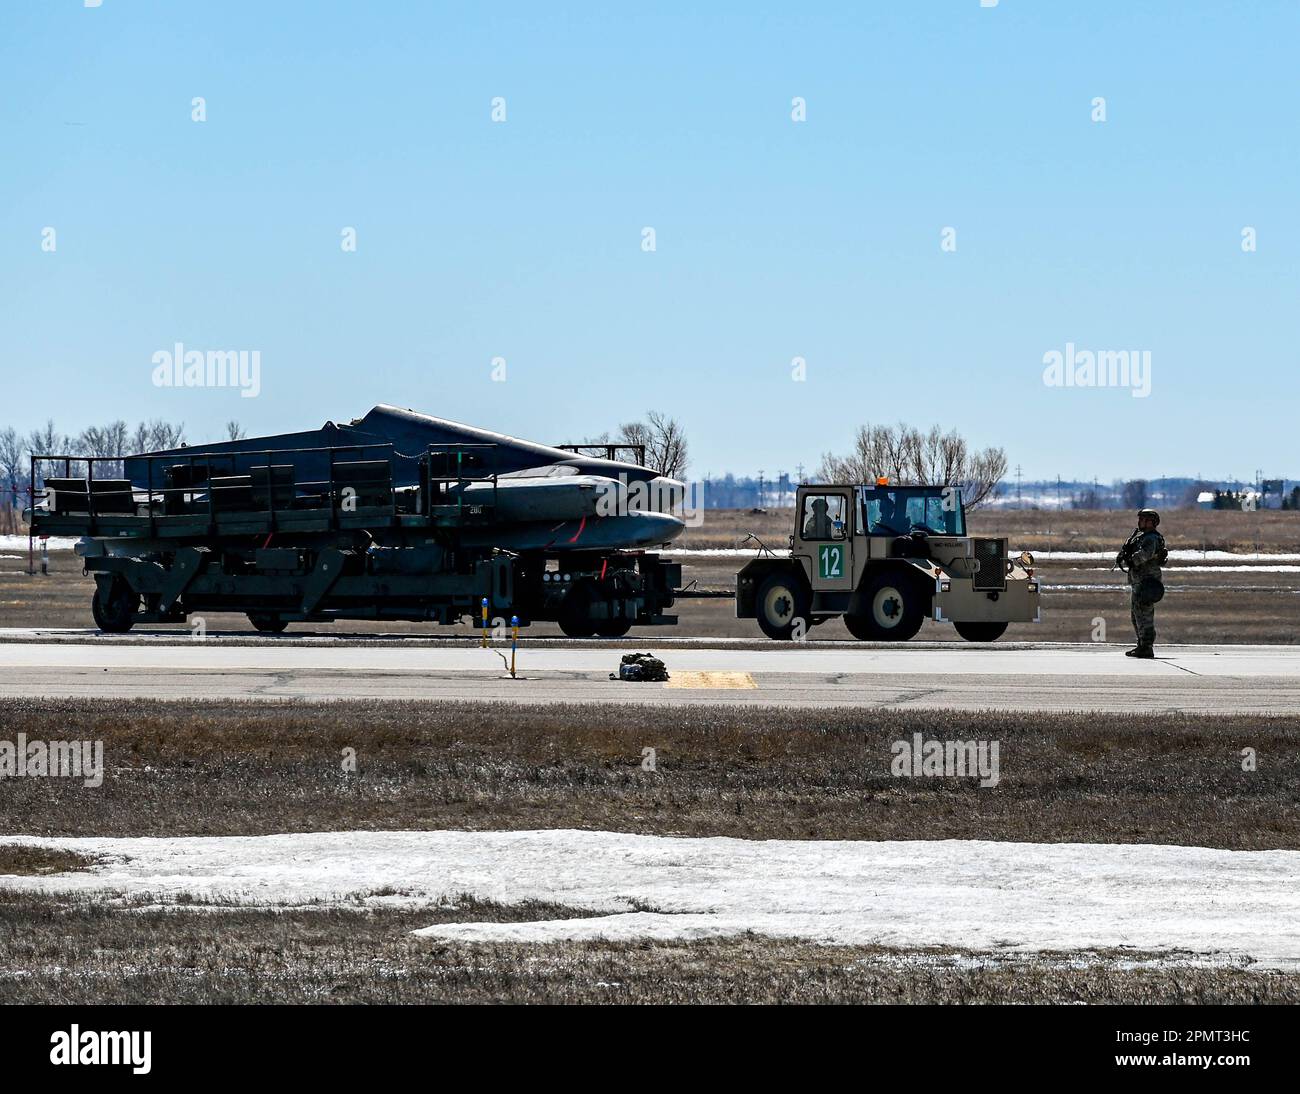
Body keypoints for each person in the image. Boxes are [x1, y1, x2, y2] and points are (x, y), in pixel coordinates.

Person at [1116, 508, 1167, 658]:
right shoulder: (1142, 537)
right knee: (1137, 615)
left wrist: (1129, 559)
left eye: (1144, 519)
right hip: (1139, 581)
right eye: (1140, 519)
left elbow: (1143, 556)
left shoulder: (1151, 539)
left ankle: (1146, 646)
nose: (1140, 522)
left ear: (1152, 522)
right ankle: (1141, 645)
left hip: (1147, 582)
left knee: (1144, 616)